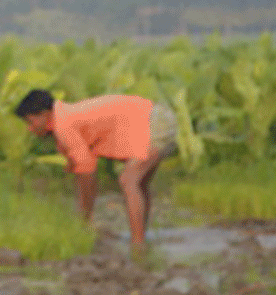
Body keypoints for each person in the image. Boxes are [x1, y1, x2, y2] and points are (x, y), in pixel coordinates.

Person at [14, 89, 177, 254]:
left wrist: (84, 218)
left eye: (30, 122)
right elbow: (81, 167)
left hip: (155, 122)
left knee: (129, 180)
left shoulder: (64, 124)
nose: (30, 129)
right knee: (139, 183)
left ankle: (138, 245)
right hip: (158, 117)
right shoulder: (66, 119)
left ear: (44, 114)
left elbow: (87, 173)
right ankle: (141, 238)